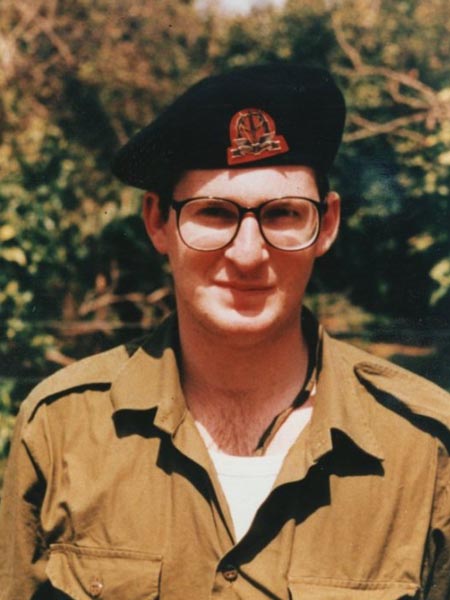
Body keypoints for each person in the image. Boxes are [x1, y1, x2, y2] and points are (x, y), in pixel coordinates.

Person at [0, 64, 449, 600]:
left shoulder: (425, 448)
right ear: (158, 222)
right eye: (213, 212)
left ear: (325, 225)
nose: (247, 254)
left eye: (282, 214)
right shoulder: (60, 429)